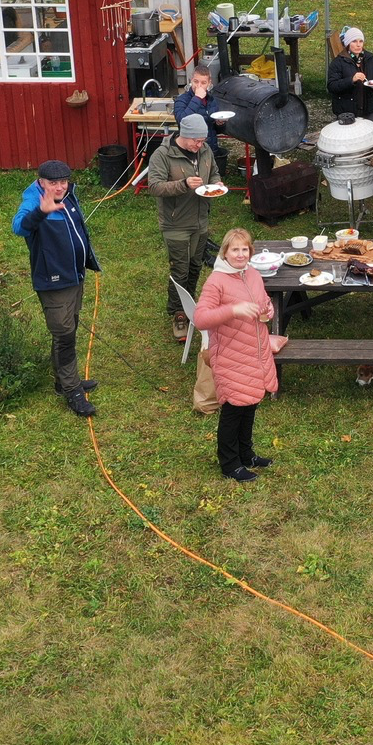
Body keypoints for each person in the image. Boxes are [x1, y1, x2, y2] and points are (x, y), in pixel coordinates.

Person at [193, 227, 289, 482]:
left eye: (244, 249)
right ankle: (229, 464)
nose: (240, 254)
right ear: (224, 252)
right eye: (234, 249)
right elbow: (200, 318)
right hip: (231, 357)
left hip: (255, 353)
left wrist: (267, 309)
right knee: (234, 410)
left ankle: (246, 454)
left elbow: (263, 300)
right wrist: (233, 310)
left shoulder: (252, 273)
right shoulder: (216, 281)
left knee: (250, 405)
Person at [10, 159, 102, 417]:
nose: (60, 187)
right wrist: (41, 212)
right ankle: (72, 391)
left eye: (64, 181)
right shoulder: (34, 202)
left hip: (74, 276)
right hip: (54, 281)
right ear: (41, 182)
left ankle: (63, 381)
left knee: (68, 327)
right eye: (54, 183)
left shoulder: (67, 195)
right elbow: (19, 227)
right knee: (64, 336)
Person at [145, 114, 222, 343]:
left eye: (202, 140)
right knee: (180, 270)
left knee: (196, 265)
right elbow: (154, 186)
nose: (200, 145)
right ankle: (179, 313)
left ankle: (190, 305)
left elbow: (214, 171)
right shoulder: (163, 154)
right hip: (175, 223)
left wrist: (216, 183)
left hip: (200, 219)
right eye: (196, 141)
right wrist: (183, 184)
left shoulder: (205, 150)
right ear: (184, 135)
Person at [174, 64, 226, 171]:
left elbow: (215, 129)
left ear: (209, 83)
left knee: (210, 178)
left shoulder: (212, 100)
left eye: (203, 83)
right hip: (190, 150)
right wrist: (197, 99)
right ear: (191, 81)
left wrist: (220, 124)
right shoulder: (182, 100)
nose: (199, 86)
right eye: (196, 82)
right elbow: (181, 121)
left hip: (209, 149)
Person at [326, 27, 373, 119]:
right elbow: (332, 86)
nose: (358, 45)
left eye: (361, 41)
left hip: (368, 110)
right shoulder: (338, 62)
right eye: (354, 41)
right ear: (348, 43)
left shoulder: (369, 59)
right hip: (347, 112)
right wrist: (351, 80)